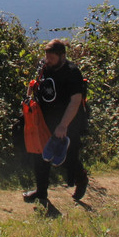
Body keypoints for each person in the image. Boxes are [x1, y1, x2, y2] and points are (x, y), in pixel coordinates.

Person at [22, 38, 89, 217]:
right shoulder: (44, 66)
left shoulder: (72, 72)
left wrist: (63, 125)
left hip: (68, 122)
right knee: (40, 155)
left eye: (51, 57)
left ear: (62, 56)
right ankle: (41, 193)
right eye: (46, 56)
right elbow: (35, 83)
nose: (48, 59)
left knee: (67, 158)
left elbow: (75, 101)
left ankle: (81, 178)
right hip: (44, 119)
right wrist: (29, 99)